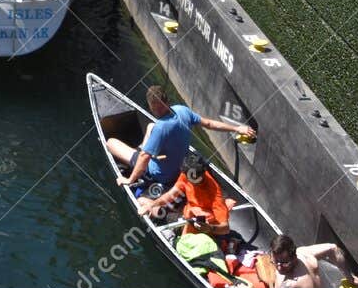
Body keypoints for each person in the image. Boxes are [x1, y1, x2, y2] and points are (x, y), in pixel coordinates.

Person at [106, 85, 256, 190]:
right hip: (180, 167)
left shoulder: (161, 127)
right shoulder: (182, 110)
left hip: (161, 174)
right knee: (150, 126)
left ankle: (139, 151)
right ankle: (143, 148)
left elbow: (145, 159)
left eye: (155, 107)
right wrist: (237, 127)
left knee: (111, 143)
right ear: (167, 101)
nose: (156, 110)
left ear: (151, 106)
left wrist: (129, 180)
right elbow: (209, 123)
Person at [137, 152, 231, 237]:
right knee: (142, 201)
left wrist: (210, 228)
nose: (189, 180)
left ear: (202, 174)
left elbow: (225, 228)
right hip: (185, 214)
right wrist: (152, 205)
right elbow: (171, 194)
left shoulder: (215, 194)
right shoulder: (187, 173)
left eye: (194, 180)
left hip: (200, 226)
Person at [263, 234, 358, 288]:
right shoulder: (304, 254)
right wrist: (350, 277)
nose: (279, 268)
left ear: (294, 257)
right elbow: (333, 249)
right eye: (275, 262)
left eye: (284, 263)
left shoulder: (289, 286)